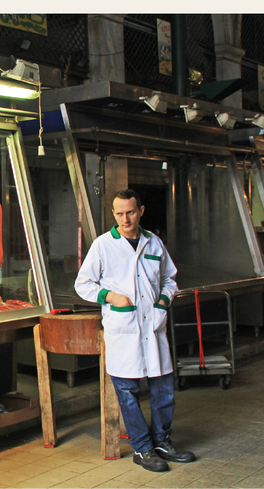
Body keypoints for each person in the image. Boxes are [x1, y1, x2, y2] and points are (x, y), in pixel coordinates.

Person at [74, 190, 195, 473]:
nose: (125, 219)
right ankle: (142, 448)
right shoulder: (103, 245)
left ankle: (162, 441)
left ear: (140, 211)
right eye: (119, 214)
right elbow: (83, 284)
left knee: (163, 389)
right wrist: (111, 297)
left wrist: (163, 301)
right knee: (127, 392)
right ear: (113, 214)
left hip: (153, 327)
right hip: (124, 329)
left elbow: (169, 279)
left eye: (130, 212)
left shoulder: (154, 243)